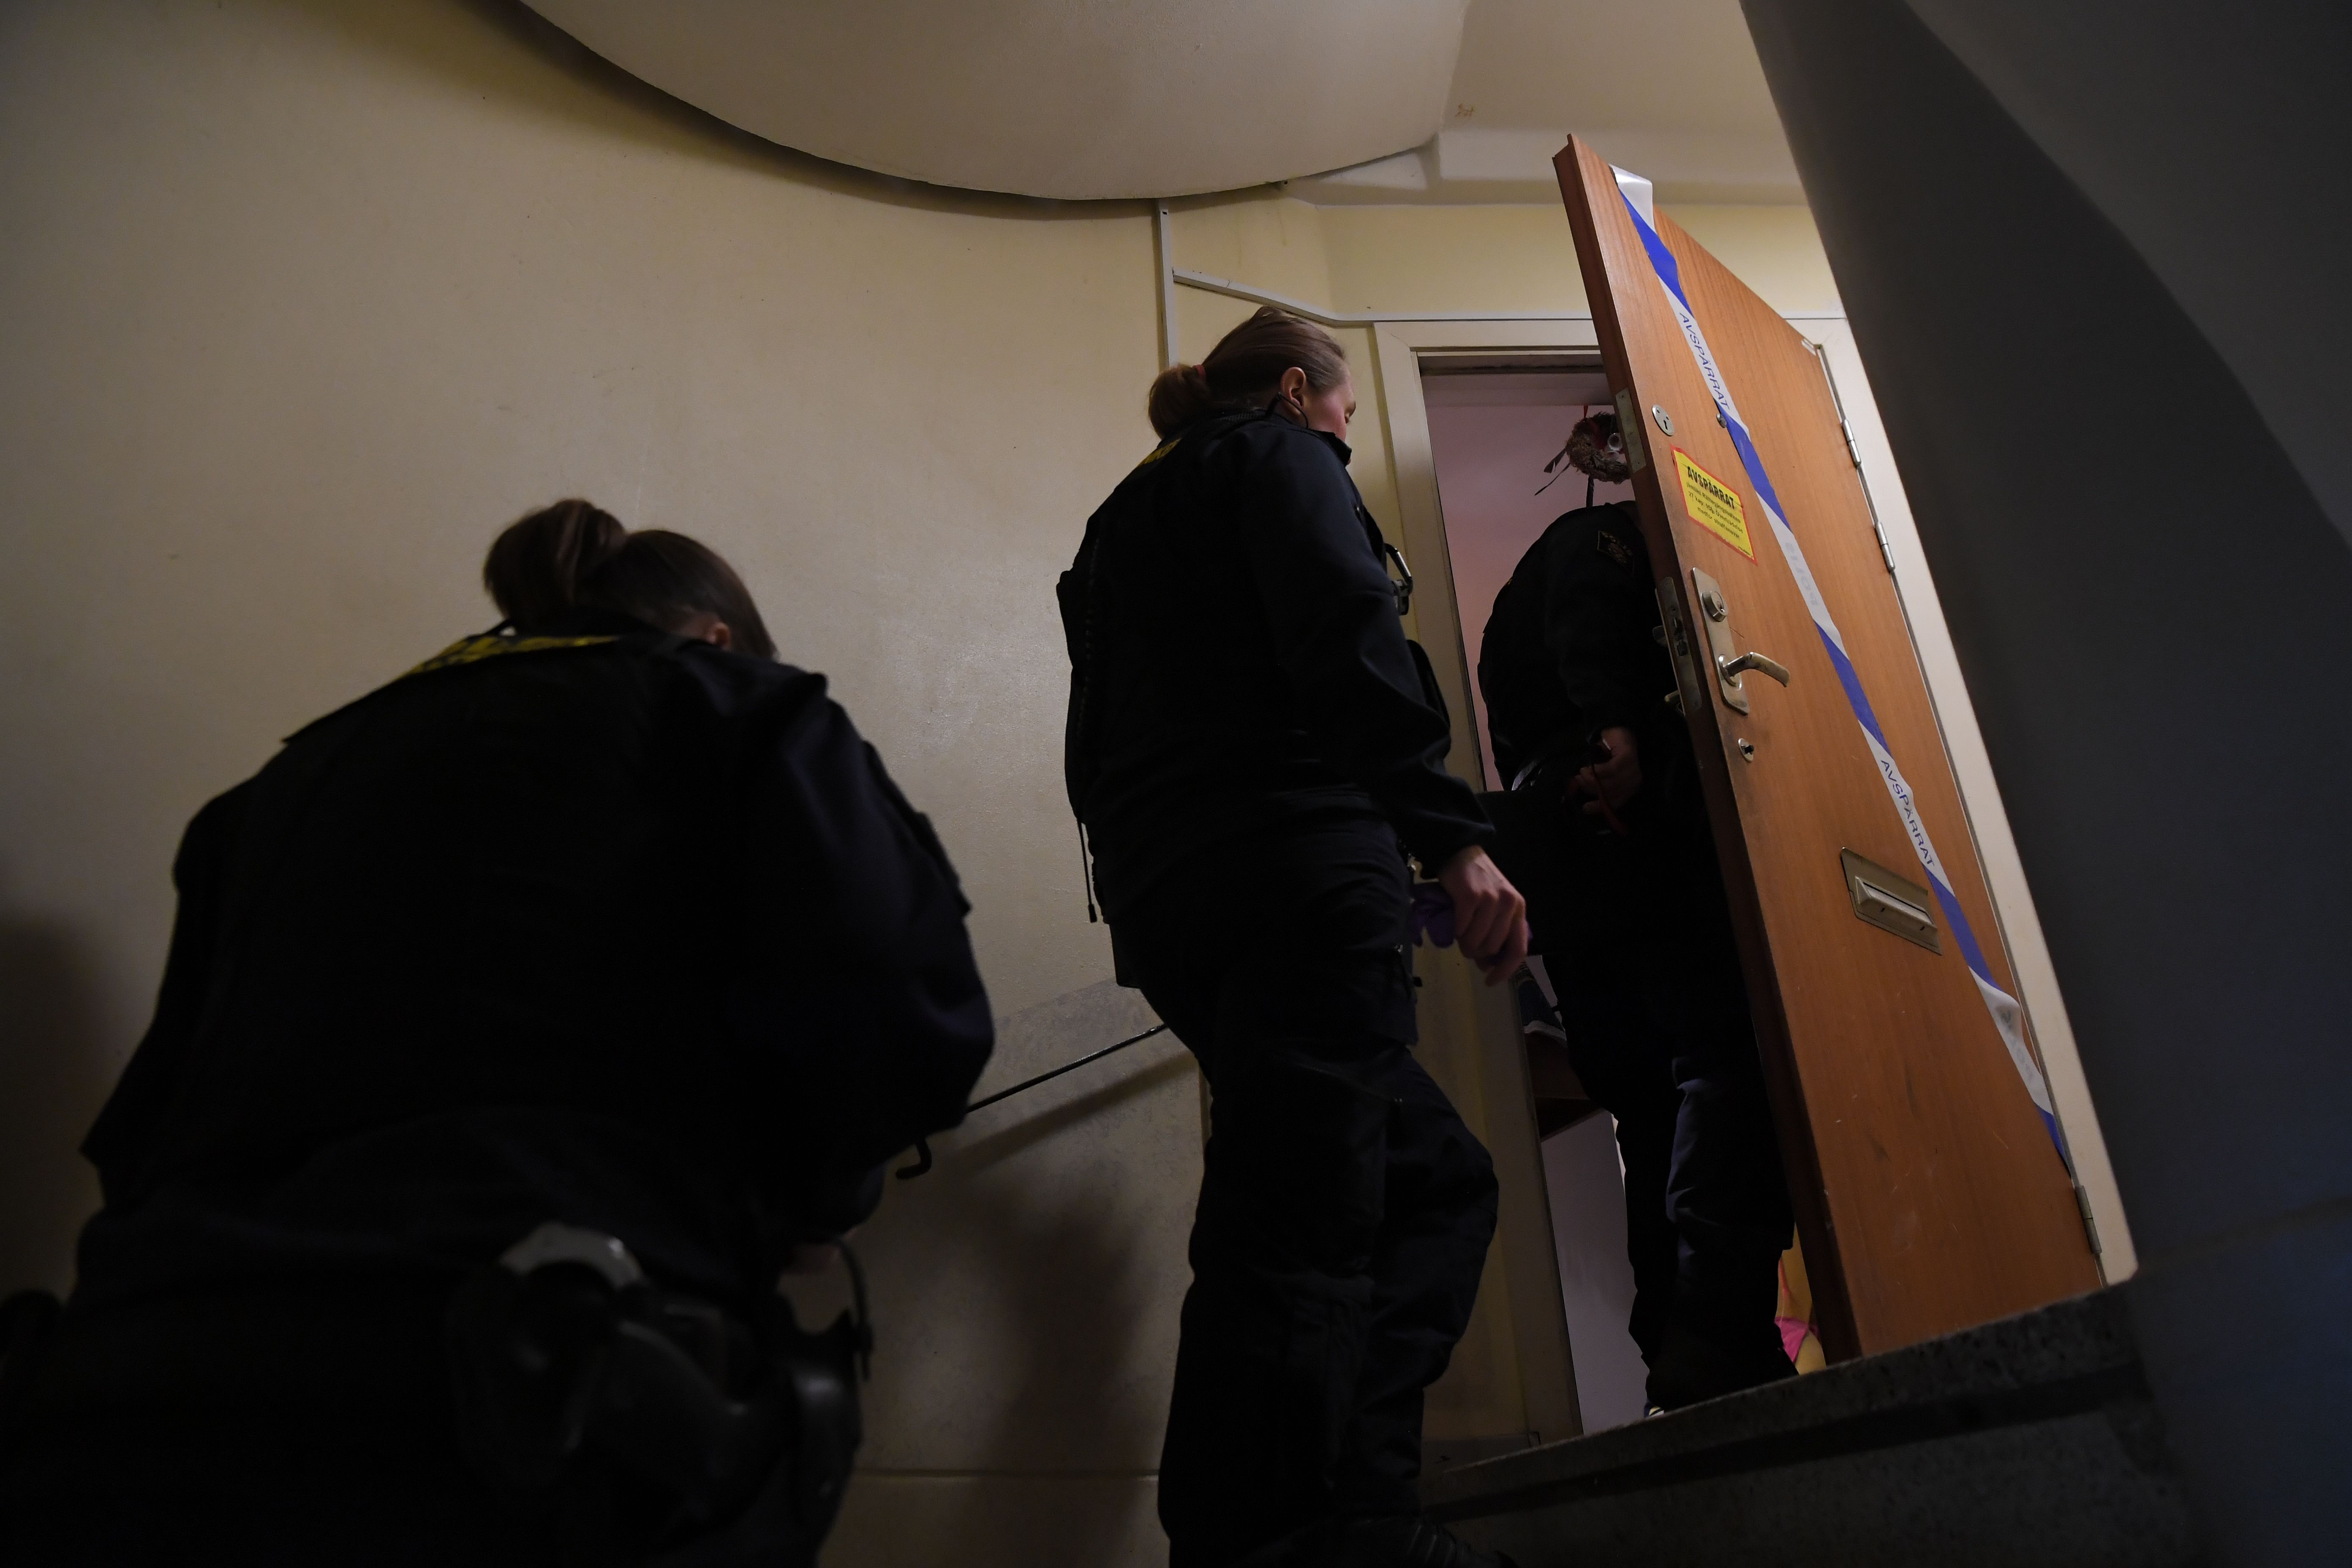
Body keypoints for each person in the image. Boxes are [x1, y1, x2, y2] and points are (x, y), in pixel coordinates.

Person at [0, 501, 993, 1565]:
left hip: (145, 1390)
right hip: (523, 1404)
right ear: (714, 635)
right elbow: (897, 1004)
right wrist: (817, 1196)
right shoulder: (737, 705)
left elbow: (144, 1133)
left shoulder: (281, 781)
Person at [1061, 307, 1528, 1568]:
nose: (1344, 436)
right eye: (1344, 414)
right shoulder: (1277, 462)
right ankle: (1275, 1538)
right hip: (1297, 877)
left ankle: (1354, 1507)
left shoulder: (1122, 520)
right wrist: (1453, 838)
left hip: (1178, 900)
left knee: (1426, 1184)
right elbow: (1347, 642)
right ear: (1292, 391)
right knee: (1308, 1217)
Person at [1476, 436, 1796, 1412]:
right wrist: (1617, 724)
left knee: (1652, 1107)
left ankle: (1685, 1340)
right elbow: (1591, 625)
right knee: (1730, 1062)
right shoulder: (1606, 537)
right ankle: (1716, 1332)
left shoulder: (1528, 601)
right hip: (1624, 833)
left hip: (1567, 856)